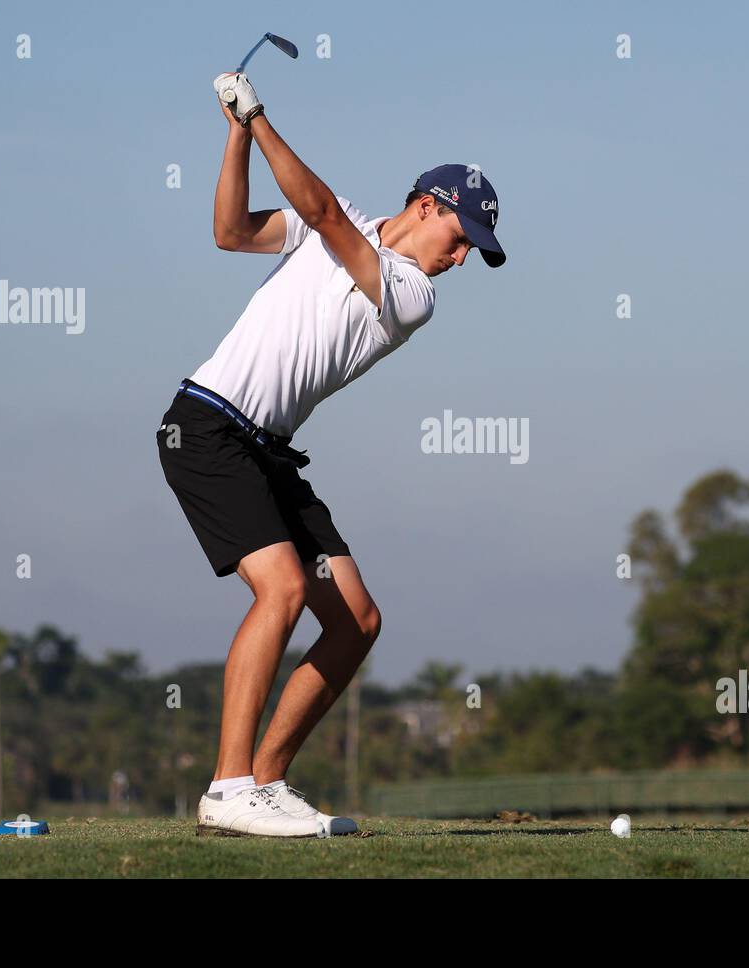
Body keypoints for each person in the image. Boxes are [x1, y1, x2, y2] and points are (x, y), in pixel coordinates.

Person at [156, 71, 506, 837]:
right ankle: (228, 787)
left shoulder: (414, 293)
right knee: (281, 591)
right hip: (206, 427)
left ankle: (267, 781)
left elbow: (318, 210)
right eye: (461, 240)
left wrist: (261, 114)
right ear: (426, 207)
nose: (460, 260)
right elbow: (231, 232)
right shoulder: (337, 220)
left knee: (355, 622)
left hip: (268, 450)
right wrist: (237, 135)